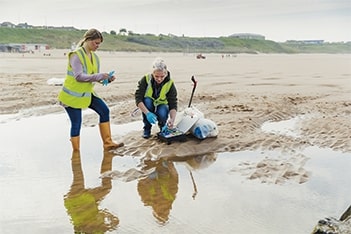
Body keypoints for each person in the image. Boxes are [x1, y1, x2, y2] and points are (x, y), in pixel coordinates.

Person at [58, 28, 123, 151]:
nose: (98, 46)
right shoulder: (76, 55)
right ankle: (76, 152)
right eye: (96, 43)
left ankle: (108, 143)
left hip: (87, 93)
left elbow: (93, 77)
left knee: (104, 111)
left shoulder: (95, 57)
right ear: (87, 40)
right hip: (71, 96)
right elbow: (79, 76)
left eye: (99, 44)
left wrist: (106, 79)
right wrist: (99, 76)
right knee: (76, 123)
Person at [135, 57, 178, 138]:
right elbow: (138, 98)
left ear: (166, 73)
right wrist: (147, 113)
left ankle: (163, 127)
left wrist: (172, 120)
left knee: (162, 112)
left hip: (162, 105)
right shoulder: (145, 79)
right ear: (152, 73)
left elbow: (173, 103)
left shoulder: (170, 83)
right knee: (147, 101)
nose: (159, 79)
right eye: (156, 76)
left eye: (162, 76)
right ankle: (147, 129)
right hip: (148, 104)